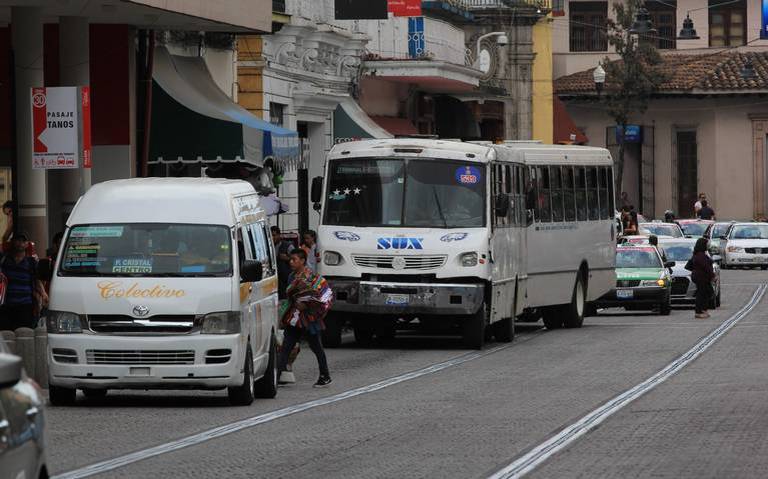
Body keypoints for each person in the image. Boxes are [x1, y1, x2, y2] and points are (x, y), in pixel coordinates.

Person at [277, 248, 333, 388]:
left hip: (309, 319)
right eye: (290, 259)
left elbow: (320, 296)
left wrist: (307, 305)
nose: (291, 262)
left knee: (317, 348)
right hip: (295, 318)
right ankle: (276, 377)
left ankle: (325, 376)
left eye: (294, 259)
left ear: (302, 261)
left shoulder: (311, 276)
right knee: (286, 347)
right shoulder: (291, 276)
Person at [0, 232, 47, 331]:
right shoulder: (4, 259)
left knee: (24, 333)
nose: (20, 243)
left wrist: (43, 293)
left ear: (27, 244)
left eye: (23, 241)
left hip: (25, 305)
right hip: (6, 305)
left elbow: (37, 280)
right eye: (17, 240)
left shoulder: (31, 262)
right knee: (6, 334)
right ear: (12, 242)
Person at [688, 238, 715, 319]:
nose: (708, 246)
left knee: (707, 292)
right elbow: (706, 267)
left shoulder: (701, 254)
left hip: (703, 278)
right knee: (701, 293)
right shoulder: (700, 255)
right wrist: (713, 275)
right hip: (701, 278)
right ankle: (699, 311)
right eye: (706, 244)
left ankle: (703, 309)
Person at [271, 226, 292, 299]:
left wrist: (287, 258)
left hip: (286, 278)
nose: (272, 237)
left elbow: (296, 259)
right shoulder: (269, 246)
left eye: (274, 235)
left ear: (279, 235)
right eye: (271, 235)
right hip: (274, 278)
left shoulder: (288, 246)